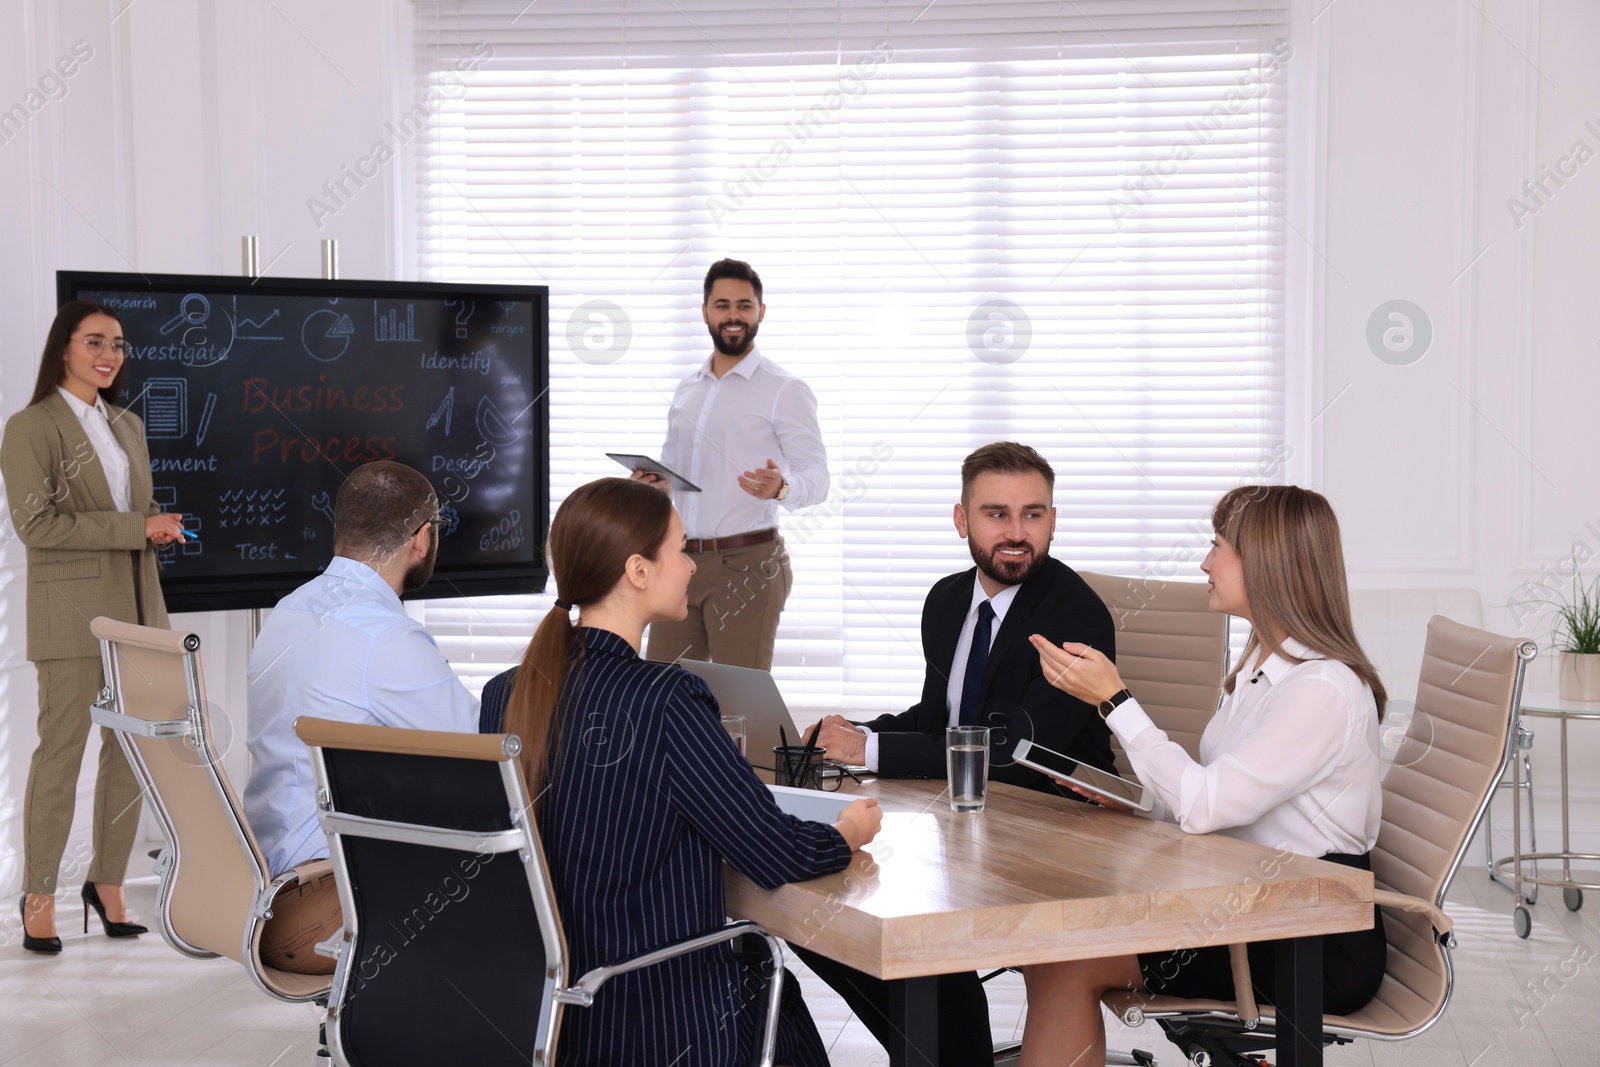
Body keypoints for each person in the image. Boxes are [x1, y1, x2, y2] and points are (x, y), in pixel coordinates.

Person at [482, 476, 881, 1066]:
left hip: (553, 1017)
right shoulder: (667, 697)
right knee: (776, 989)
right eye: (681, 550)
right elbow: (774, 853)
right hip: (663, 1014)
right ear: (638, 570)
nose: (693, 567)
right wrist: (846, 833)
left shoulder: (503, 694)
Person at [1021, 484, 1388, 1066]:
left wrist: (1115, 700)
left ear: (1267, 564)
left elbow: (1207, 806)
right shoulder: (1261, 668)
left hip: (1309, 932)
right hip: (1252, 904)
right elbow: (1218, 802)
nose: (1204, 563)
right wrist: (1139, 804)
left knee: (1067, 957)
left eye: (1218, 547)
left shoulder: (1321, 689)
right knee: (1054, 950)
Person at [800, 441, 1118, 1065]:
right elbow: (940, 719)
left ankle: (948, 1048)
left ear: (1053, 519)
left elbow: (1010, 748)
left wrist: (874, 748)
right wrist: (852, 733)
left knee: (889, 909)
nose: (1016, 533)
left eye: (1034, 514)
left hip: (1053, 830)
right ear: (961, 520)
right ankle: (944, 1049)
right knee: (825, 904)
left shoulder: (1076, 613)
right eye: (997, 514)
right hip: (966, 819)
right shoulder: (947, 601)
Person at [243, 460, 479, 975]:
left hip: (260, 890)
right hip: (321, 907)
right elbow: (486, 751)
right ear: (422, 539)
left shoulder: (286, 611)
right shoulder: (386, 637)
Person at [1, 300, 185, 953]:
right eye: (94, 342)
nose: (109, 354)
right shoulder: (30, 426)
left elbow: (134, 509)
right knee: (61, 754)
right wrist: (138, 527)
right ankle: (40, 893)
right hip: (73, 617)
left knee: (132, 749)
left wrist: (159, 523)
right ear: (63, 348)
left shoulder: (127, 424)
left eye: (118, 344)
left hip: (137, 609)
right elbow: (37, 525)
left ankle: (107, 882)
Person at [637, 258, 828, 671]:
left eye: (744, 305)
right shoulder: (688, 389)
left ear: (761, 312)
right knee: (659, 691)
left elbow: (818, 477)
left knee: (739, 704)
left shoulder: (785, 390)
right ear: (705, 312)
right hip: (680, 562)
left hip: (747, 567)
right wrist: (656, 482)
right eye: (722, 305)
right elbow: (676, 471)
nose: (733, 315)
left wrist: (781, 487)